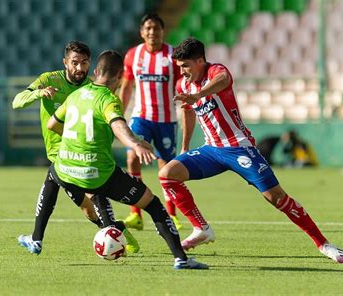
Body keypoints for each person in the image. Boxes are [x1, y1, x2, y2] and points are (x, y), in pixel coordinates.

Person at [158, 37, 343, 263]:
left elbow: (223, 79)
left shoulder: (215, 71)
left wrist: (198, 95)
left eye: (186, 66)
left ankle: (324, 244)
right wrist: (185, 145)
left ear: (200, 61)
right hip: (211, 150)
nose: (183, 72)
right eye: (180, 67)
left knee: (276, 198)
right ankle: (201, 228)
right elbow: (188, 111)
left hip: (239, 148)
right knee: (167, 175)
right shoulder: (183, 85)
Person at [47, 50, 208, 269]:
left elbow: (52, 125)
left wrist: (78, 140)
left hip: (70, 171)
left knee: (98, 193)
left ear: (95, 71)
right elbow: (119, 126)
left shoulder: (76, 95)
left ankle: (109, 232)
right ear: (121, 76)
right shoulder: (109, 99)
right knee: (152, 204)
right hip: (99, 173)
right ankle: (181, 259)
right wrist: (135, 144)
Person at [13, 41, 138, 255]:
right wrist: (38, 94)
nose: (79, 68)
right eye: (74, 63)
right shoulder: (48, 80)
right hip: (58, 153)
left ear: (90, 63)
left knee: (62, 181)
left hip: (75, 154)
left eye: (84, 63)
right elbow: (17, 102)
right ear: (65, 62)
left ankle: (36, 239)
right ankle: (118, 231)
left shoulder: (90, 88)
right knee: (88, 208)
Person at [120, 13, 182, 231]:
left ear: (162, 31)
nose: (152, 32)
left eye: (156, 28)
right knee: (132, 156)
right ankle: (135, 213)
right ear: (141, 32)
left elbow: (183, 84)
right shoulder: (133, 55)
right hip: (141, 117)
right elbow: (126, 86)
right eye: (148, 28)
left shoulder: (173, 55)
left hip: (167, 120)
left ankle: (171, 215)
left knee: (166, 168)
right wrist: (119, 113)